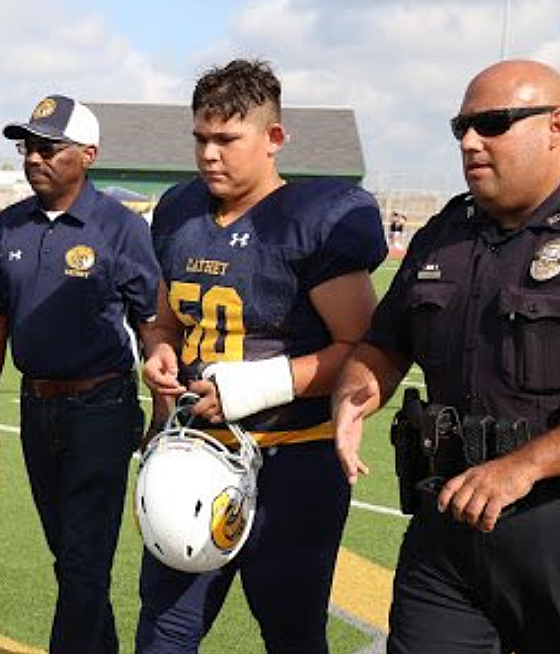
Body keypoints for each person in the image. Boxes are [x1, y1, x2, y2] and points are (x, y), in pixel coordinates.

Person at [332, 59, 560, 654]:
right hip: (448, 528)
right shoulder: (443, 234)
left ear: (557, 125)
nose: (471, 141)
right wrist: (357, 392)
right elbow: (384, 343)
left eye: (494, 123)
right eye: (462, 127)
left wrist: (524, 465)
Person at [136, 59, 385, 654]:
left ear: (274, 138)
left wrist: (252, 389)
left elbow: (361, 351)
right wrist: (159, 354)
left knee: (292, 632)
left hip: (293, 462)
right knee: (165, 632)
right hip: (196, 453)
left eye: (226, 139)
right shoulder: (177, 210)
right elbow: (165, 321)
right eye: (201, 138)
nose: (209, 154)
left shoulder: (315, 216)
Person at [0, 95, 161, 654]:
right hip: (35, 409)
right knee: (70, 558)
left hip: (101, 409)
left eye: (48, 147)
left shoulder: (120, 228)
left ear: (87, 154)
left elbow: (154, 324)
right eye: (27, 146)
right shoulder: (6, 226)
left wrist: (160, 412)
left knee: (85, 564)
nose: (34, 157)